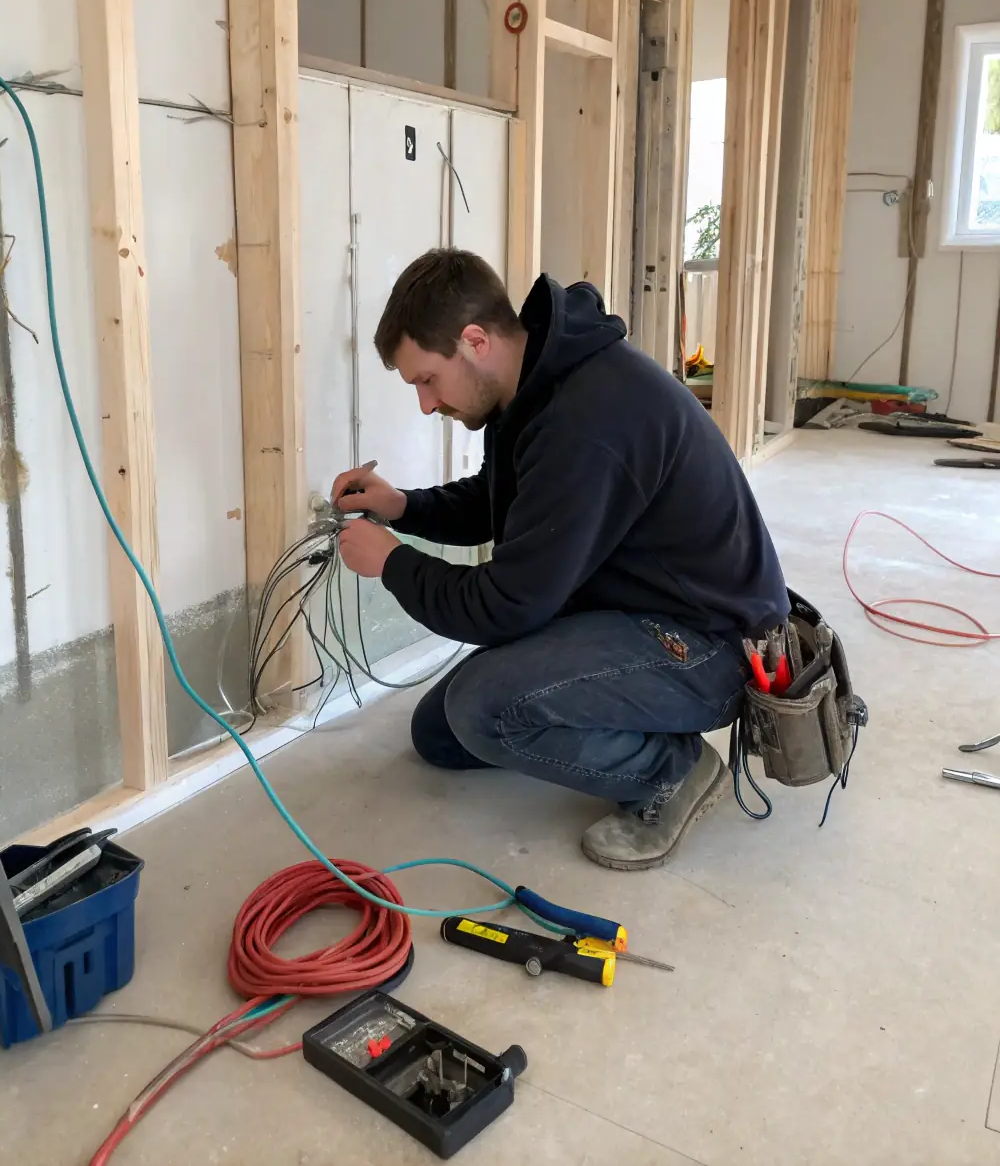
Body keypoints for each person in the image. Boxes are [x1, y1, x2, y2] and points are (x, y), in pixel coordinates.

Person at [332, 249, 789, 870]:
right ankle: (620, 727)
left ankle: (671, 771)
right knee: (440, 734)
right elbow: (507, 504)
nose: (426, 404)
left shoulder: (590, 420)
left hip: (708, 644)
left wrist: (392, 563)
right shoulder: (533, 386)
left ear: (474, 340)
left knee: (482, 709)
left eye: (426, 380)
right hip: (632, 607)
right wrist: (403, 507)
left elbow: (505, 607)